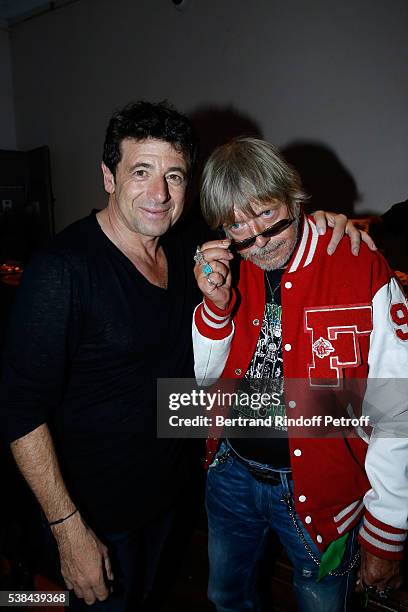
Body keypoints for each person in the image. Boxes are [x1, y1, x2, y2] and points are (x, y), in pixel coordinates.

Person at [1, 102, 371, 611]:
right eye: (141, 172)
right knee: (60, 603)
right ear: (109, 176)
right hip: (94, 515)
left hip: (176, 494)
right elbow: (20, 410)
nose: (159, 193)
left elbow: (267, 223)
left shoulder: (187, 246)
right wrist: (67, 530)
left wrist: (324, 225)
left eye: (173, 175)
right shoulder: (60, 271)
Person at [192, 137, 408, 611]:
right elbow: (207, 381)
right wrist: (216, 309)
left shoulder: (360, 267)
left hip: (322, 498)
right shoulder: (225, 266)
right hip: (231, 473)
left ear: (291, 195)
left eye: (266, 214)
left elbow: (397, 411)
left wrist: (386, 530)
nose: (257, 240)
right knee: (225, 596)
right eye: (237, 224)